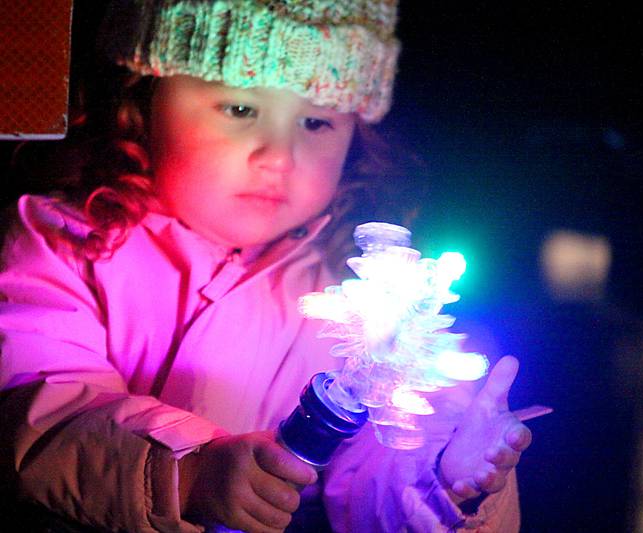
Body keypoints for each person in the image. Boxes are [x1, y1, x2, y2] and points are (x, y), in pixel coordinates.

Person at [0, 1, 532, 531]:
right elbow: (41, 410)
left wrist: (444, 479)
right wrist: (187, 475)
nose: (279, 156)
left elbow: (381, 464)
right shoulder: (61, 244)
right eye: (240, 109)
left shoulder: (360, 301)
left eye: (316, 121)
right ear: (144, 100)